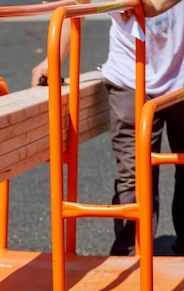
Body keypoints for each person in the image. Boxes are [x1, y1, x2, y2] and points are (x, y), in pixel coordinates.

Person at [31, 0, 184, 256]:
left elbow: (150, 6)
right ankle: (129, 254)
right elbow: (77, 5)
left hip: (181, 77)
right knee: (134, 174)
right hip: (129, 77)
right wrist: (53, 59)